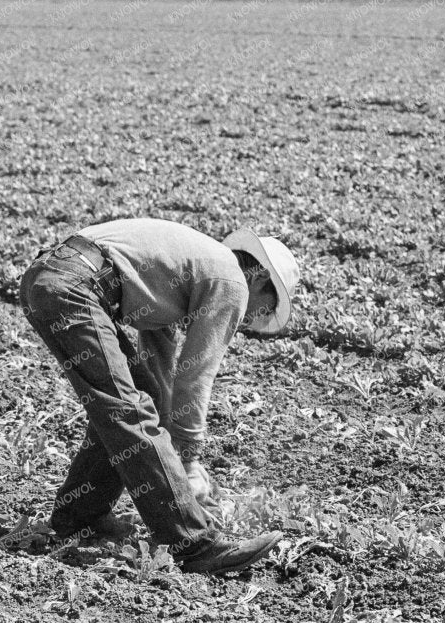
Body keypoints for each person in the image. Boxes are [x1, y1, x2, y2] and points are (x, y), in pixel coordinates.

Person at [18, 218, 299, 577]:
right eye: (263, 309)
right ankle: (194, 544)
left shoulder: (187, 270)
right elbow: (194, 378)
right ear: (259, 278)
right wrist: (189, 461)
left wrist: (175, 448)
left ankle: (79, 517)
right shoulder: (231, 282)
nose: (249, 321)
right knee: (127, 410)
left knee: (131, 402)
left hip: (55, 276)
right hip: (75, 286)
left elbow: (160, 376)